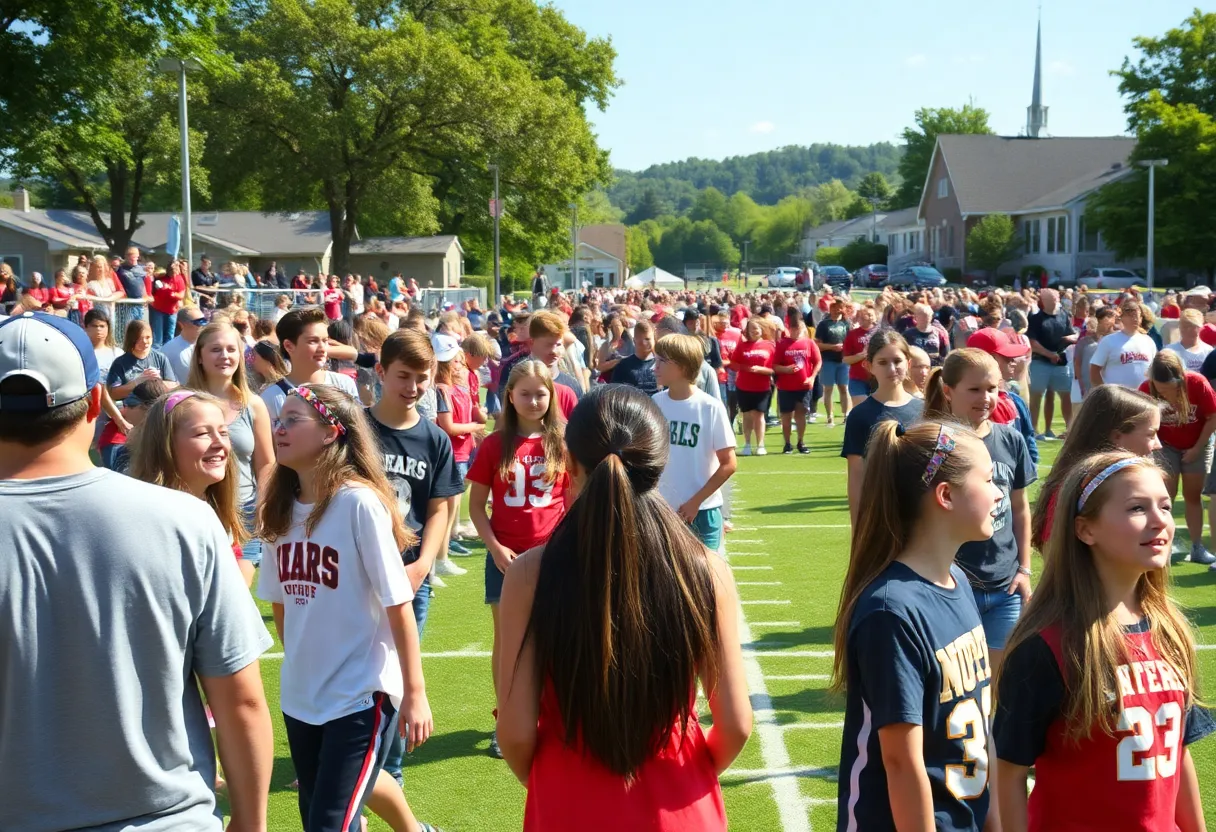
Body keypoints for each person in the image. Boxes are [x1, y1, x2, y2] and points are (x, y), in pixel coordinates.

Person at [0, 312, 274, 832]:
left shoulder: (187, 518)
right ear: (91, 405)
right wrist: (252, 821)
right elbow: (240, 701)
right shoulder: (185, 521)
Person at [495, 385, 752, 830]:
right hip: (680, 802)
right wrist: (686, 777)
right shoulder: (706, 569)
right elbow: (735, 724)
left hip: (567, 801)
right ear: (660, 463)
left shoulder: (528, 574)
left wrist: (560, 781)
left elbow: (516, 733)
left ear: (568, 464)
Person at [993, 452, 1214, 831]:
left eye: (1164, 505)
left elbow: (1177, 752)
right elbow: (1008, 772)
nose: (1161, 520)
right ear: (1085, 530)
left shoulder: (1169, 629)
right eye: (1136, 508)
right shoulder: (1047, 645)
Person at [257, 384, 433, 832]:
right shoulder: (278, 509)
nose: (279, 428)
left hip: (360, 694)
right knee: (323, 818)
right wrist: (305, 664)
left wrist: (414, 692)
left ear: (331, 432)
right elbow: (281, 607)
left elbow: (398, 603)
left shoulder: (359, 503)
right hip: (302, 696)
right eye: (279, 419)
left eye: (293, 419)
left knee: (329, 824)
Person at [832, 420, 1002, 832]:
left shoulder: (958, 580)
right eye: (989, 479)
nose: (999, 493)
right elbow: (901, 762)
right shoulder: (891, 611)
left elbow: (981, 720)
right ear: (945, 495)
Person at [364, 331, 459, 827]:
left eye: (422, 378)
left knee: (401, 675)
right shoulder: (356, 430)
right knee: (360, 673)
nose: (414, 387)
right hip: (357, 578)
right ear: (381, 373)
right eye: (404, 376)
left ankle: (390, 771)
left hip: (409, 576)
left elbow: (440, 505)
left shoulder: (434, 437)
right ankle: (358, 761)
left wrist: (426, 561)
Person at [466, 359, 570, 758]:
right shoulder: (495, 443)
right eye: (524, 393)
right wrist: (494, 548)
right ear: (509, 396)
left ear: (552, 395)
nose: (532, 401)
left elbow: (572, 502)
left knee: (555, 639)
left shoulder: (562, 442)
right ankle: (505, 720)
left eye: (540, 393)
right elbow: (476, 507)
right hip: (506, 557)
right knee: (509, 642)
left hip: (553, 557)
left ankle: (553, 718)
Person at [925, 349, 1035, 664]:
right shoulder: (938, 443)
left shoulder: (1011, 439)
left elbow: (1020, 508)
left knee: (1000, 685)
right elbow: (922, 511)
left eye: (992, 389)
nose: (985, 397)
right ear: (948, 391)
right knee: (958, 681)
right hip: (952, 582)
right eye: (974, 389)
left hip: (1005, 585)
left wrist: (1024, 569)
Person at [186, 321, 276, 586]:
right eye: (215, 350)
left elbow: (266, 463)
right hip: (195, 513)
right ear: (200, 356)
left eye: (231, 349)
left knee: (234, 594)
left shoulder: (254, 405)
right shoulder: (181, 403)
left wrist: (264, 506)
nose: (224, 356)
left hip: (244, 516)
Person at [1030, 385, 1161, 549]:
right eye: (1151, 435)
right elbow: (1054, 553)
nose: (1158, 445)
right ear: (1117, 437)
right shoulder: (1075, 487)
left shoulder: (1125, 481)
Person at [128, 389, 248, 561]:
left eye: (223, 433)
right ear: (165, 445)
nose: (220, 443)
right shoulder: (148, 524)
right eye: (203, 433)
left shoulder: (217, 511)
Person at [653, 333, 738, 550]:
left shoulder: (710, 407)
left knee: (709, 580)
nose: (655, 367)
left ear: (682, 366)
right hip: (663, 511)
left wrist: (695, 502)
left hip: (703, 511)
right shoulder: (655, 403)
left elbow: (729, 463)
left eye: (662, 361)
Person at [1138, 350, 1216, 565]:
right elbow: (1140, 421)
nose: (1165, 395)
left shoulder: (1197, 383)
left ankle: (1197, 547)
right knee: (1165, 497)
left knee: (1193, 496)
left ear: (1180, 378)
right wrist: (1155, 446)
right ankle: (1165, 546)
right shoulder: (1146, 388)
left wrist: (1197, 448)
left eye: (1169, 390)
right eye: (1160, 390)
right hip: (1165, 446)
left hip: (1197, 443)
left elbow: (1212, 418)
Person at [842, 330, 924, 524]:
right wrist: (858, 527)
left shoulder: (925, 409)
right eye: (883, 362)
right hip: (881, 516)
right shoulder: (860, 415)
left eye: (897, 361)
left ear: (909, 363)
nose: (892, 368)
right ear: (869, 366)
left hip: (922, 517)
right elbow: (856, 476)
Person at [433, 333, 484, 570]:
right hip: (452, 455)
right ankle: (440, 557)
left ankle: (444, 554)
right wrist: (473, 427)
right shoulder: (442, 390)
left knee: (452, 506)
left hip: (463, 453)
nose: (461, 365)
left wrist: (477, 417)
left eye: (460, 360)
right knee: (445, 508)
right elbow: (449, 426)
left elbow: (470, 415)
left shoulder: (458, 388)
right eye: (455, 361)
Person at [262, 307, 360, 421]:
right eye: (312, 341)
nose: (322, 348)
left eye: (325, 340)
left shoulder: (344, 384)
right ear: (289, 346)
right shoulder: (272, 397)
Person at [1026, 288, 1077, 440]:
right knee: (1036, 395)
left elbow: (1072, 333)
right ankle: (1033, 430)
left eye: (1055, 297)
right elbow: (1032, 342)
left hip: (1061, 363)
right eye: (1050, 297)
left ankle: (1070, 429)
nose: (1054, 299)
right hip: (1040, 362)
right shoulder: (1036, 318)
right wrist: (1049, 354)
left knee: (1065, 395)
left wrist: (1072, 338)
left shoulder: (1064, 316)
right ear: (1044, 300)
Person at [773, 306, 821, 455]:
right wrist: (785, 370)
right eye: (793, 329)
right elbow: (774, 365)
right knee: (786, 416)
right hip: (786, 387)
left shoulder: (809, 343)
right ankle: (787, 443)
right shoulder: (782, 344)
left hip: (803, 386)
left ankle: (801, 441)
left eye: (799, 329)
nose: (796, 332)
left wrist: (812, 377)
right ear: (789, 328)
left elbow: (818, 361)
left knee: (801, 414)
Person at [733, 317, 776, 456]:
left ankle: (760, 445)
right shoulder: (742, 346)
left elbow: (774, 368)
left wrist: (761, 370)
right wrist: (747, 368)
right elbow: (733, 364)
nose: (754, 331)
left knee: (759, 415)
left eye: (756, 328)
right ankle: (747, 444)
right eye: (751, 329)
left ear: (761, 329)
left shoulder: (770, 345)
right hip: (744, 386)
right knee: (747, 415)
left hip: (762, 387)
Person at [1090, 301, 1157, 390]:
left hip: (1144, 398)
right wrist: (1103, 393)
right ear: (1122, 318)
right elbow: (1094, 370)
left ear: (1141, 318)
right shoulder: (1109, 341)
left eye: (1137, 315)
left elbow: (1154, 370)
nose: (1135, 319)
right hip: (1117, 399)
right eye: (1130, 315)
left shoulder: (1149, 341)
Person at [108, 318, 178, 402]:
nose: (145, 342)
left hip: (156, 406)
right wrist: (137, 382)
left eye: (148, 337)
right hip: (132, 407)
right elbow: (113, 394)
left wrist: (157, 381)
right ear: (131, 340)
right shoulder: (120, 363)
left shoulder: (161, 358)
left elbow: (174, 386)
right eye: (139, 338)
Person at [814, 299, 851, 427]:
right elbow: (817, 344)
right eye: (834, 307)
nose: (837, 310)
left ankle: (846, 415)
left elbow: (851, 341)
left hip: (843, 361)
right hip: (828, 360)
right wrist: (832, 347)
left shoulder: (846, 323)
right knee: (828, 389)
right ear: (830, 309)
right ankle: (830, 417)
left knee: (844, 388)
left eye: (839, 307)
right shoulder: (823, 324)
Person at [611, 318, 659, 397]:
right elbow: (615, 393)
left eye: (647, 339)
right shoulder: (624, 366)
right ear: (634, 341)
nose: (644, 343)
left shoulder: (661, 364)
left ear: (654, 339)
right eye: (640, 340)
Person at [841, 302, 877, 406]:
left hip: (877, 378)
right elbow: (846, 359)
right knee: (861, 407)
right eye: (866, 315)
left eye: (871, 315)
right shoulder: (852, 334)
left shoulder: (881, 333)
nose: (869, 318)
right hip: (857, 378)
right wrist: (862, 355)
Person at [162, 306, 208, 383]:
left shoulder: (210, 345)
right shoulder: (168, 351)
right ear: (182, 325)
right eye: (198, 322)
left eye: (204, 320)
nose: (202, 325)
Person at [149, 259, 189, 349]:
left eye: (174, 270)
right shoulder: (161, 277)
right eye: (171, 270)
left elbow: (181, 295)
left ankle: (168, 353)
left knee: (169, 335)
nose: (173, 272)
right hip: (158, 309)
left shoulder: (179, 280)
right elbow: (152, 287)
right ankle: (156, 353)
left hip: (172, 310)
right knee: (157, 335)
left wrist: (171, 292)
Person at [1164, 308, 1213, 373]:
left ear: (1200, 327)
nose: (1187, 329)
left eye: (1191, 325)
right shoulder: (1169, 351)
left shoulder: (1209, 351)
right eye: (1184, 325)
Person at [114, 246, 147, 319]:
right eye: (130, 257)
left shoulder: (141, 269)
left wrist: (145, 296)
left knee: (138, 327)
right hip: (126, 304)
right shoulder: (120, 269)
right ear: (126, 256)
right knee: (128, 328)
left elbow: (143, 284)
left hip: (139, 303)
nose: (133, 259)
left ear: (138, 256)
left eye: (135, 257)